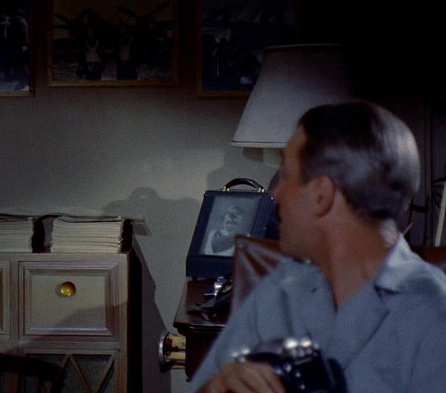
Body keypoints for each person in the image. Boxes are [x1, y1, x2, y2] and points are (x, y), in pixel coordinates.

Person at [188, 101, 446, 393]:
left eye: (286, 175)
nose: (276, 194)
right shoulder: (279, 290)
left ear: (322, 195)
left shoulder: (432, 312)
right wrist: (217, 386)